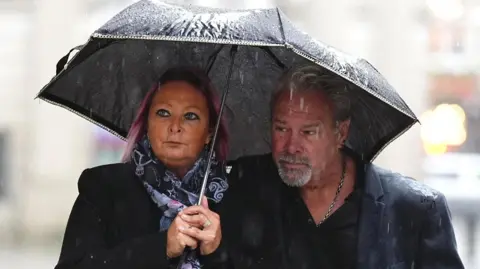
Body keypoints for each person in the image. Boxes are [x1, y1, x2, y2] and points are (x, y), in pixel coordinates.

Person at [223, 65, 465, 269]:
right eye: (281, 128)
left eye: (308, 132)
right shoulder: (249, 183)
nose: (291, 146)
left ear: (341, 133)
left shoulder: (414, 209)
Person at [55, 66, 230, 269]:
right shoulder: (104, 188)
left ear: (210, 132)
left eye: (190, 116)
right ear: (147, 124)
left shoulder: (233, 199)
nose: (175, 126)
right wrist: (162, 246)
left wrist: (215, 254)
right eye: (163, 113)